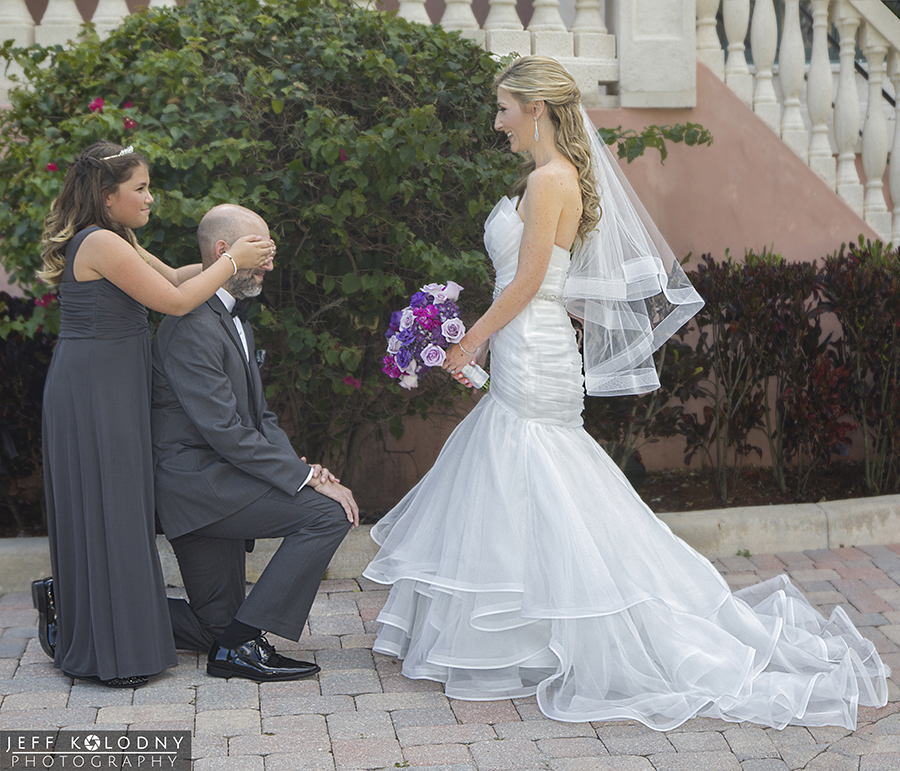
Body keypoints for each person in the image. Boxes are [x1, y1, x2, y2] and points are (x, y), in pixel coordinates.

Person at [363, 57, 889, 730]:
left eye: (503, 108)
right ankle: (523, 631)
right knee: (521, 472)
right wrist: (485, 336)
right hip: (530, 338)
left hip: (531, 337)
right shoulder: (555, 178)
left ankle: (571, 622)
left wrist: (473, 342)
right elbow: (535, 282)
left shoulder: (550, 179)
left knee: (536, 468)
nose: (497, 122)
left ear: (538, 110)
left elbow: (527, 283)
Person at [37, 141, 273, 688]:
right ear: (106, 195)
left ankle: (74, 608)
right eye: (140, 188)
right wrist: (233, 261)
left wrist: (236, 259)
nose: (150, 198)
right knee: (111, 508)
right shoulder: (98, 242)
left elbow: (173, 279)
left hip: (112, 388)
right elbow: (178, 303)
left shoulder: (117, 239)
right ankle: (99, 639)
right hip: (93, 393)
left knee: (120, 508)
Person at [151, 204, 359, 682]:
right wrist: (305, 480)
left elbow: (259, 418)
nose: (269, 263)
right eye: (260, 252)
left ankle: (84, 608)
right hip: (201, 486)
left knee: (214, 626)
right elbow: (225, 429)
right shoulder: (190, 325)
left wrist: (300, 470)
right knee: (329, 514)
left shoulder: (231, 319)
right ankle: (239, 648)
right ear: (224, 251)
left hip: (219, 481)